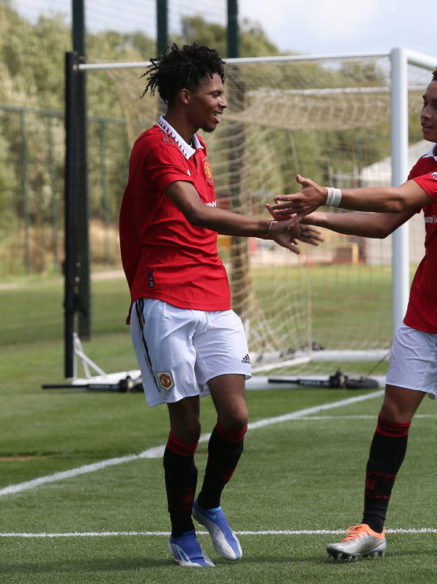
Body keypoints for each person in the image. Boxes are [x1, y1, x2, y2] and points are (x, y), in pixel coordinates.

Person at [270, 57, 437, 560]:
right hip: (425, 312)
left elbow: (398, 197)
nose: (425, 112)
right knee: (393, 411)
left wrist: (331, 194)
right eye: (425, 102)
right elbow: (386, 222)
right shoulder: (428, 163)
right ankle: (372, 529)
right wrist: (316, 213)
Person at [118, 43, 322, 567]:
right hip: (163, 300)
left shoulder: (196, 149)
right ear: (186, 96)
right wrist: (269, 228)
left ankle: (209, 503)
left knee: (234, 416)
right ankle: (181, 531)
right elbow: (197, 214)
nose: (223, 103)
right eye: (215, 94)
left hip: (213, 298)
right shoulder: (154, 147)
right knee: (186, 427)